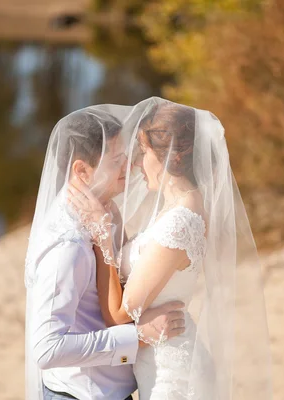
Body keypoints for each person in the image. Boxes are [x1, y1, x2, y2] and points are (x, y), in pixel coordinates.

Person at [68, 98, 272, 399]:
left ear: (170, 158)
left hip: (172, 376)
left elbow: (118, 314)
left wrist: (101, 237)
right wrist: (112, 217)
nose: (136, 163)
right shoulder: (181, 206)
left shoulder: (179, 223)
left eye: (143, 151)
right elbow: (142, 265)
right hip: (163, 359)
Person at [24, 106, 187, 400]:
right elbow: (46, 349)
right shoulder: (68, 246)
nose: (129, 166)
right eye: (116, 161)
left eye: (126, 156)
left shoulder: (105, 211)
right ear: (82, 171)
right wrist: (138, 336)